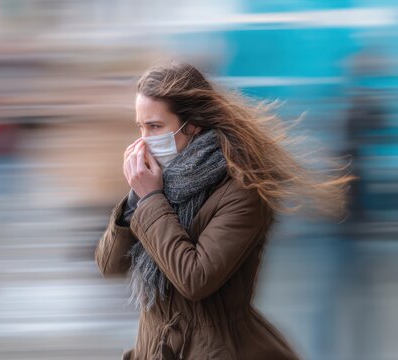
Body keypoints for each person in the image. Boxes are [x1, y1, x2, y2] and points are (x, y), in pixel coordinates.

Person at [94, 61, 355, 360]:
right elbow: (110, 265)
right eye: (140, 126)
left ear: (192, 125)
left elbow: (195, 279)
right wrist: (134, 200)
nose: (144, 140)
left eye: (155, 127)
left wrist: (151, 198)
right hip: (154, 347)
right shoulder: (160, 180)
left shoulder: (243, 190)